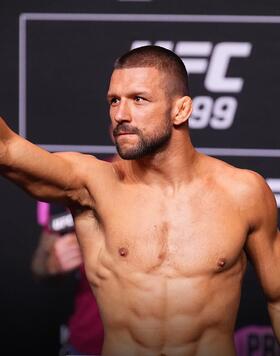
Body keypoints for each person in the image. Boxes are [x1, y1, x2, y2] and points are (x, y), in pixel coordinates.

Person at [0, 45, 279, 356]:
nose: (120, 114)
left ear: (181, 110)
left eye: (139, 99)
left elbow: (278, 296)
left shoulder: (243, 191)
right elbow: (7, 150)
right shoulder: (94, 185)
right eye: (114, 101)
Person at [31, 201, 104, 356]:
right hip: (86, 342)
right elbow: (38, 265)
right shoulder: (63, 199)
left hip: (150, 342)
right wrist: (53, 264)